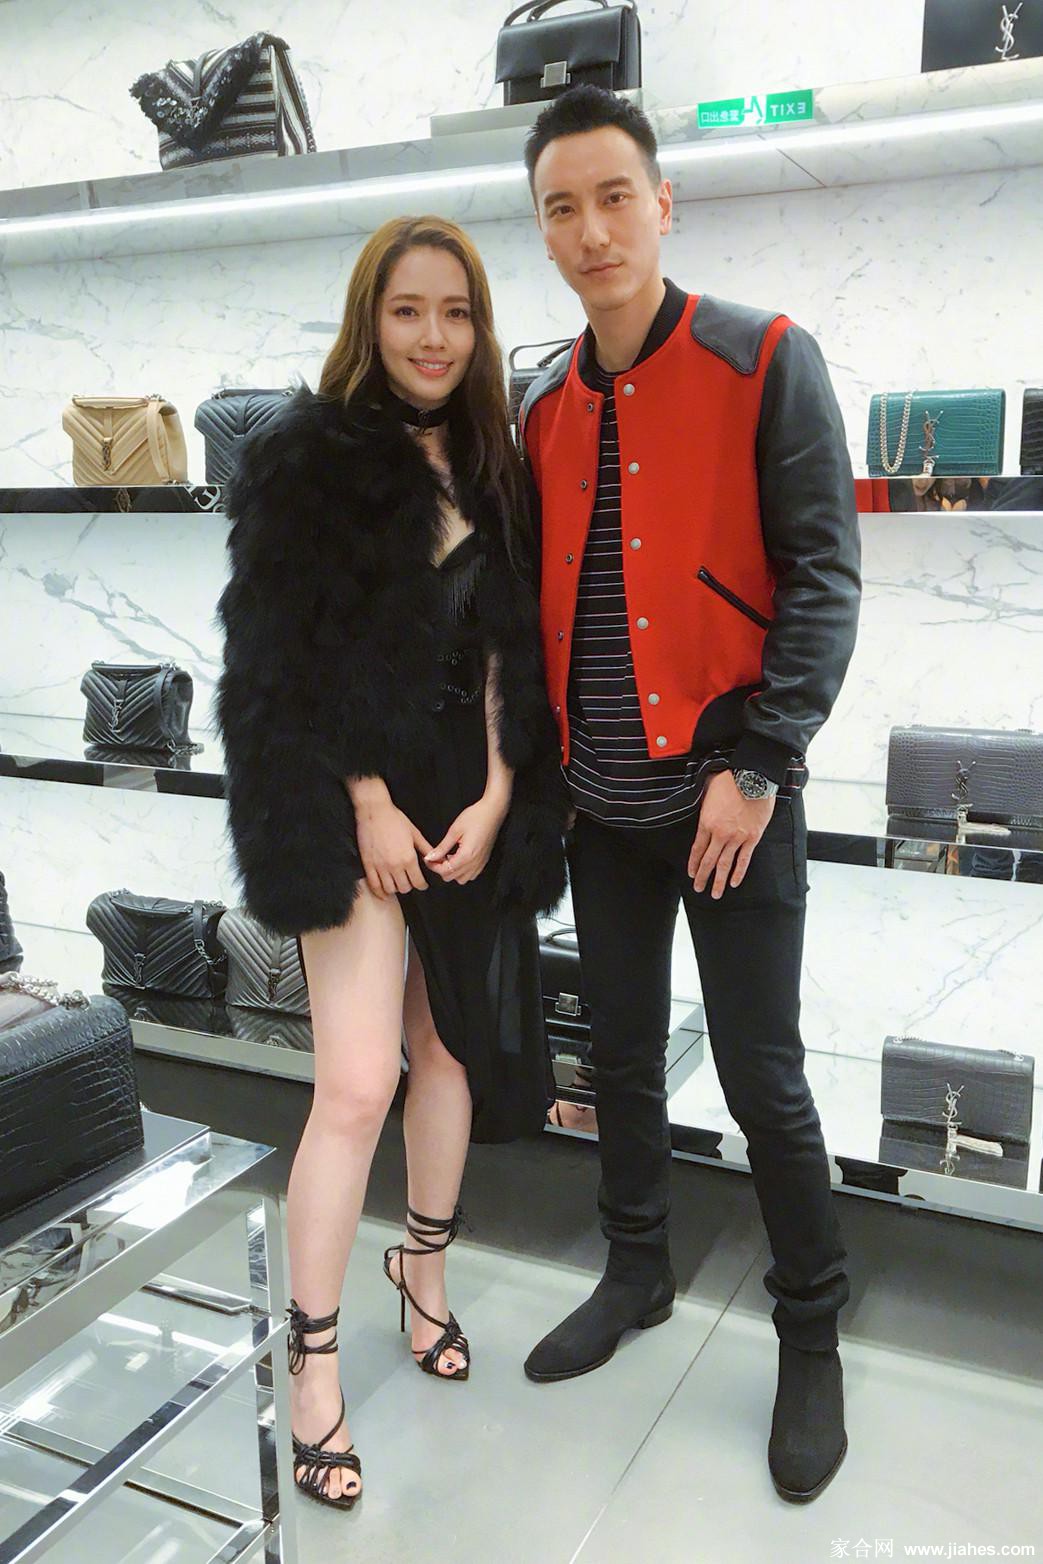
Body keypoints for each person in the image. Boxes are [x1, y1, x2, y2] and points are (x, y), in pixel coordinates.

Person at [517, 86, 862, 1504]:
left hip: (731, 797)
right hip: (600, 805)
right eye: (562, 208)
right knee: (617, 1057)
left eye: (615, 197)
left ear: (663, 204)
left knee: (764, 1076)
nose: (592, 230)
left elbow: (825, 577)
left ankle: (811, 1331)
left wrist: (762, 763)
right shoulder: (541, 401)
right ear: (544, 231)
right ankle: (638, 1271)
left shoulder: (765, 356)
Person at [215, 215, 569, 1509]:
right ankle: (310, 1363)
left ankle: (423, 1268)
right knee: (357, 1082)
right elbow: (279, 655)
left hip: (468, 796)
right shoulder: (305, 457)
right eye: (409, 309)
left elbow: (512, 646)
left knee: (451, 1050)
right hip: (342, 794)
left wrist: (502, 790)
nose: (434, 336)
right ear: (371, 316)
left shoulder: (495, 458)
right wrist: (365, 798)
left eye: (456, 312)